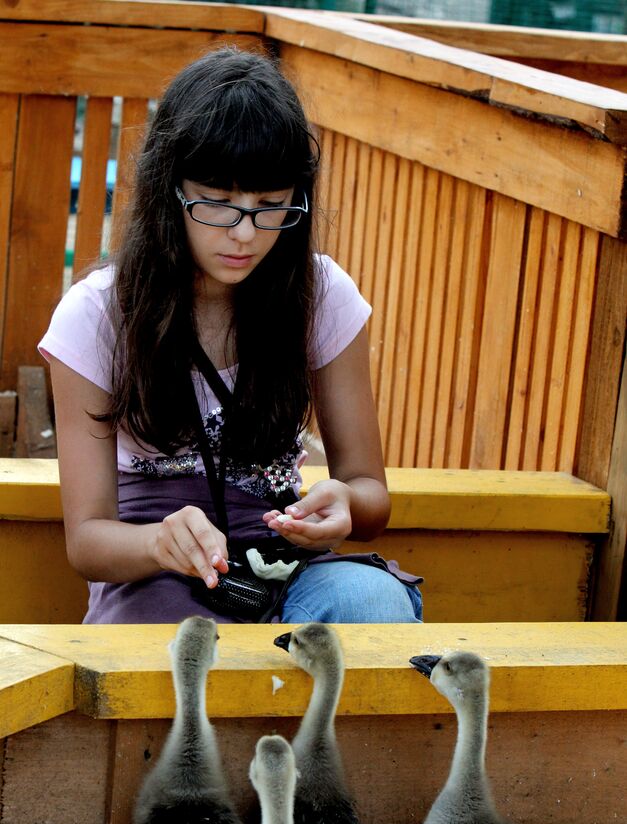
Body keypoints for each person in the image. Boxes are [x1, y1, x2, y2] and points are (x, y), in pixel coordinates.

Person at [39, 46, 422, 625]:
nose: (245, 233)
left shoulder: (320, 293)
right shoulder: (97, 314)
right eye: (217, 203)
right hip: (160, 569)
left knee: (373, 605)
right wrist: (156, 544)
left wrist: (344, 503)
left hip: (283, 558)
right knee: (183, 649)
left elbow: (369, 492)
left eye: (271, 206)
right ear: (168, 188)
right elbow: (87, 542)